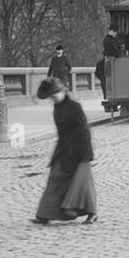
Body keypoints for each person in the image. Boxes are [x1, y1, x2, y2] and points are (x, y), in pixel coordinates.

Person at [33, 77, 98, 222]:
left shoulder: (75, 107)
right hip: (64, 150)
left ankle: (92, 213)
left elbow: (84, 131)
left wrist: (86, 154)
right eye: (51, 97)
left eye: (54, 95)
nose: (53, 99)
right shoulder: (57, 107)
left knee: (82, 184)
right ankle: (45, 215)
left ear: (62, 91)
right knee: (55, 180)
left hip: (80, 150)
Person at [96, 26, 124, 99]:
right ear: (110, 31)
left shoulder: (109, 39)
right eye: (114, 31)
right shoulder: (110, 41)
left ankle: (108, 97)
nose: (116, 33)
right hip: (111, 61)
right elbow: (116, 52)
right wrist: (119, 53)